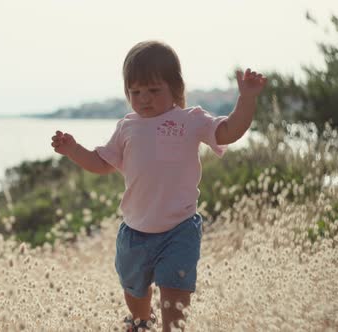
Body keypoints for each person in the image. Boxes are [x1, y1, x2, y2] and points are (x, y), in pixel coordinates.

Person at [50, 40, 267, 332]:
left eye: (154, 90)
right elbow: (101, 164)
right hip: (135, 232)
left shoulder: (190, 120)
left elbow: (228, 131)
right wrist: (73, 149)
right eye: (135, 92)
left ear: (175, 88)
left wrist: (247, 100)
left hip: (180, 229)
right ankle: (141, 320)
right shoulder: (127, 127)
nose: (144, 99)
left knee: (175, 296)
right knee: (134, 293)